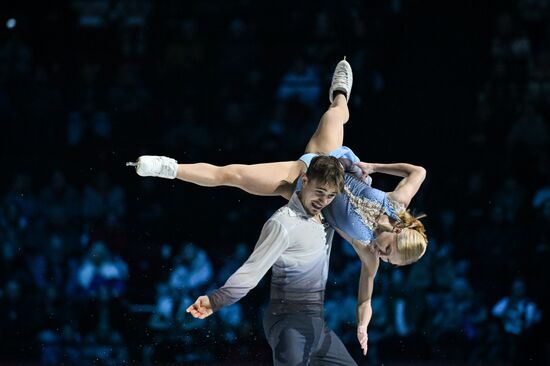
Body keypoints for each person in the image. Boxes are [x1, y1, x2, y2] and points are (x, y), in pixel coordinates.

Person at [130, 59, 427, 354]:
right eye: (388, 251)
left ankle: (168, 169)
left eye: (389, 261)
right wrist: (375, 166)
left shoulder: (367, 252)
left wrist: (363, 326)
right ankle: (341, 92)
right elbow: (418, 172)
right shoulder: (396, 202)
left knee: (236, 179)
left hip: (308, 201)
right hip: (324, 164)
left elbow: (365, 298)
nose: (382, 256)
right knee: (333, 114)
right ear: (398, 230)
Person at [186, 155, 359, 365]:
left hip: (317, 323)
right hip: (288, 320)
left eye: (330, 195)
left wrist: (357, 167)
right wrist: (216, 300)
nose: (323, 201)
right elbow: (252, 272)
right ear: (304, 181)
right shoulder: (283, 223)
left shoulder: (326, 214)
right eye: (320, 192)